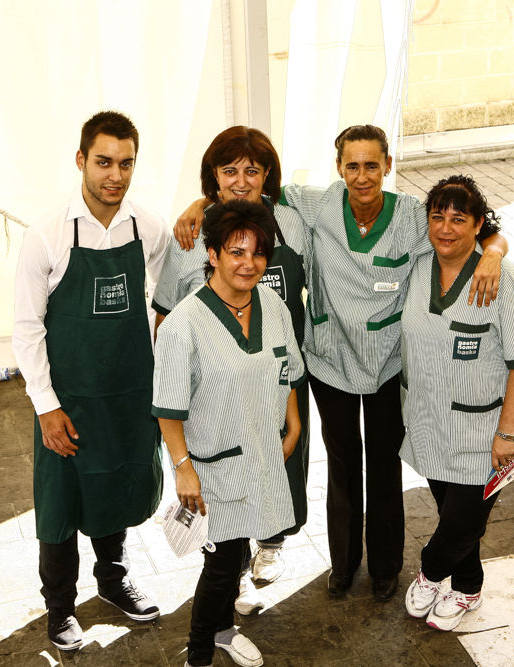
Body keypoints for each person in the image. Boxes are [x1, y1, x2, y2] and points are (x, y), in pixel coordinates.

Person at [277, 125, 508, 602]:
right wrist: (199, 204)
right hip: (330, 358)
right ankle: (343, 564)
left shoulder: (411, 216)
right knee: (342, 463)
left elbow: (483, 228)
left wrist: (494, 254)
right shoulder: (318, 204)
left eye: (371, 165)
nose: (362, 176)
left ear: (387, 164)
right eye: (352, 166)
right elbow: (253, 192)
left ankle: (385, 567)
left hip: (387, 363)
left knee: (384, 463)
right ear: (339, 168)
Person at [12, 111, 168, 651]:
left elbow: (172, 295)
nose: (115, 176)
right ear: (81, 160)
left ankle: (113, 581)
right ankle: (59, 607)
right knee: (60, 504)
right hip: (69, 399)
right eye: (103, 162)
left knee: (113, 486)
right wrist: (45, 405)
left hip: (127, 394)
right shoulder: (47, 235)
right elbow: (26, 328)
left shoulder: (148, 228)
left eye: (126, 164)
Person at [156, 126, 309, 613]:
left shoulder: (292, 221)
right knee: (226, 492)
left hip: (277, 374)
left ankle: (271, 543)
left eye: (252, 171)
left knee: (281, 470)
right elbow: (165, 317)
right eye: (229, 171)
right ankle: (232, 573)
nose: (241, 181)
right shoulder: (190, 235)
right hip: (218, 385)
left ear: (268, 176)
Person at [400, 175, 514, 632]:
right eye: (437, 217)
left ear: (479, 224)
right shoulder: (419, 264)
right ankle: (467, 585)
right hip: (429, 423)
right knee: (452, 515)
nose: (446, 228)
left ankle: (430, 571)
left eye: (459, 219)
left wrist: (507, 433)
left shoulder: (505, 280)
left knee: (462, 523)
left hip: (484, 433)